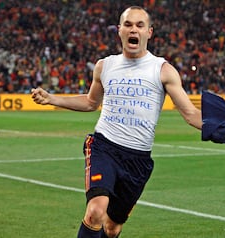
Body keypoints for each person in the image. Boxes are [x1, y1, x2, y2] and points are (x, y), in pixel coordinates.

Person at [31, 6, 203, 238]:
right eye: (128, 24)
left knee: (112, 229)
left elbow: (190, 113)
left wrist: (217, 128)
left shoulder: (163, 70)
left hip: (138, 160)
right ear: (120, 30)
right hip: (105, 147)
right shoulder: (105, 66)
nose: (134, 29)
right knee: (95, 211)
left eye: (140, 25)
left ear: (149, 32)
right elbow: (92, 102)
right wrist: (52, 98)